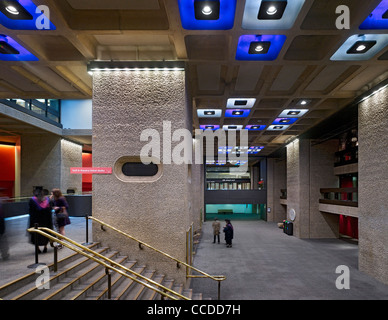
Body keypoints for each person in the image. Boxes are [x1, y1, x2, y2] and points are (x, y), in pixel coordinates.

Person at [28, 188, 53, 253]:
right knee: (46, 232)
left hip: (36, 221)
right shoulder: (48, 199)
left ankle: (37, 248)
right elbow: (50, 209)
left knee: (36, 233)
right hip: (46, 221)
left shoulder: (32, 200)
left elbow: (30, 211)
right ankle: (45, 246)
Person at [0, 188, 10, 260]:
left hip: (1, 222)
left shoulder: (2, 200)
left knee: (3, 238)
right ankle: (4, 253)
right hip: (1, 222)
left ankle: (5, 253)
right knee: (3, 239)